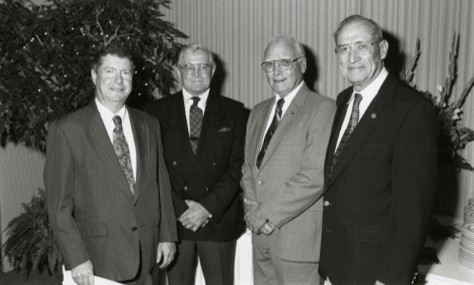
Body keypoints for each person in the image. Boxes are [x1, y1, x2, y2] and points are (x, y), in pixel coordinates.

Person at [44, 43, 177, 285]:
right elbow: (58, 206)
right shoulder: (67, 129)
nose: (118, 80)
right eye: (109, 71)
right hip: (98, 258)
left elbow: (161, 184)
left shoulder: (149, 124)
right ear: (95, 75)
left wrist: (167, 235)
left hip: (148, 253)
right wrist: (77, 257)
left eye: (125, 72)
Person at [319, 15, 438, 284]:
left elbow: (413, 210)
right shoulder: (343, 100)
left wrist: (390, 278)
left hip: (374, 271)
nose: (352, 57)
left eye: (361, 45)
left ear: (382, 49)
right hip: (336, 264)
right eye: (343, 48)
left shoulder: (411, 109)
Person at [145, 44, 247, 285]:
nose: (196, 73)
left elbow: (238, 167)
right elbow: (153, 170)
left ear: (213, 71)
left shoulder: (235, 112)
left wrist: (207, 208)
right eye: (189, 67)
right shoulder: (155, 113)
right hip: (176, 221)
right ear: (179, 72)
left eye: (203, 67)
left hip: (217, 219)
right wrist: (181, 209)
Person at [241, 35, 336, 285]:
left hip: (297, 242)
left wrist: (265, 215)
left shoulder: (323, 109)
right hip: (261, 236)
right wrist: (252, 210)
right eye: (269, 64)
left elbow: (314, 176)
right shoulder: (257, 112)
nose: (276, 71)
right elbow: (248, 169)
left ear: (302, 65)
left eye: (284, 62)